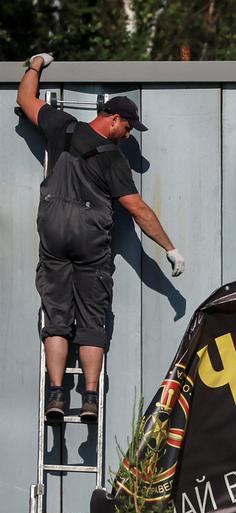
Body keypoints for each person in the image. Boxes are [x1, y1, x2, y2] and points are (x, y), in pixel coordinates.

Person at [16, 52, 186, 424]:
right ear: (113, 119)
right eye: (128, 128)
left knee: (57, 318)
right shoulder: (113, 160)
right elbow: (138, 210)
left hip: (54, 234)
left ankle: (56, 395)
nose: (128, 136)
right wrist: (171, 249)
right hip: (91, 243)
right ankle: (90, 398)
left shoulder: (63, 127)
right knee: (93, 319)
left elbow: (25, 99)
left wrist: (35, 65)